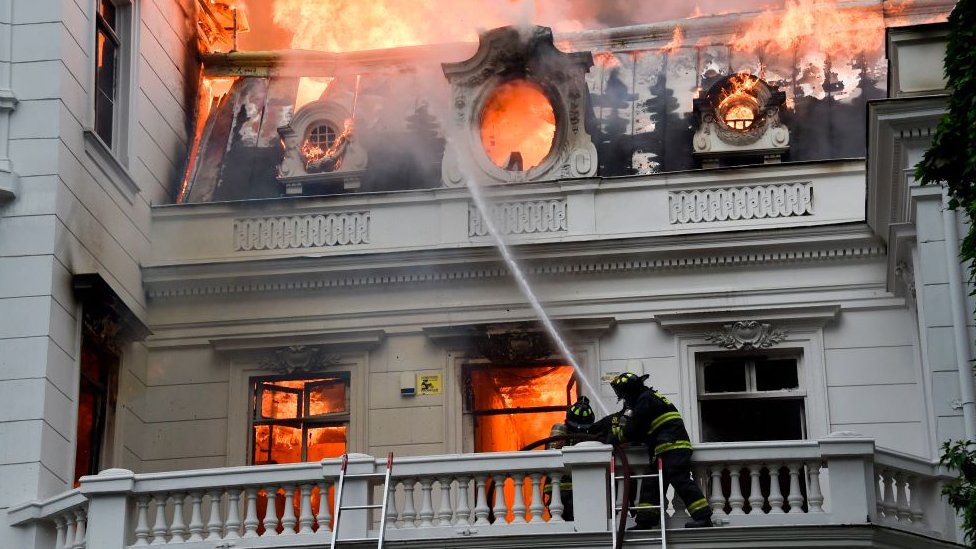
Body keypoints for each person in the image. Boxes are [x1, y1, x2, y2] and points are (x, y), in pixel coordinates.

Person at [607, 372, 713, 529]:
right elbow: (646, 429)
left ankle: (703, 517)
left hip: (673, 447)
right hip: (663, 447)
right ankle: (645, 521)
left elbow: (634, 430)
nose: (626, 401)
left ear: (630, 392)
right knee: (651, 483)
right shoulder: (649, 397)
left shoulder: (644, 400)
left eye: (625, 397)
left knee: (680, 480)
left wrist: (617, 436)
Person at [543, 396, 596, 520]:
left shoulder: (590, 436)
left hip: (567, 487)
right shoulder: (560, 431)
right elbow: (551, 456)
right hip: (562, 486)